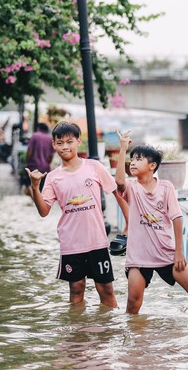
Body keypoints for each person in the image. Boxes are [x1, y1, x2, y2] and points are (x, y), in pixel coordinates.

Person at [25, 121, 118, 308]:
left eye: (69, 141)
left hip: (97, 241)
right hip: (71, 243)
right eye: (60, 143)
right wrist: (35, 187)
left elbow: (118, 192)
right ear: (54, 145)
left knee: (106, 289)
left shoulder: (94, 167)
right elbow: (44, 211)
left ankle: (111, 333)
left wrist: (129, 229)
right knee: (76, 289)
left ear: (78, 142)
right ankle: (77, 333)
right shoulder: (52, 177)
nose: (65, 146)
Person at [114, 130, 188, 315]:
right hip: (139, 257)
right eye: (131, 159)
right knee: (133, 304)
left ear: (152, 165)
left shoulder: (166, 187)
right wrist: (123, 149)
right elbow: (119, 181)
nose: (132, 162)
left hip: (167, 253)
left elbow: (177, 217)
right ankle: (135, 342)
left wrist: (179, 252)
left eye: (139, 159)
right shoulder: (132, 188)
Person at [22, 122, 55, 192]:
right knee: (42, 187)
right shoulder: (49, 138)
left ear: (38, 128)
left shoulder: (35, 136)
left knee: (28, 183)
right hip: (45, 168)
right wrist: (47, 164)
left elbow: (29, 151)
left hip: (33, 166)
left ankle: (34, 200)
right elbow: (51, 155)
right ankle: (39, 201)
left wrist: (26, 161)